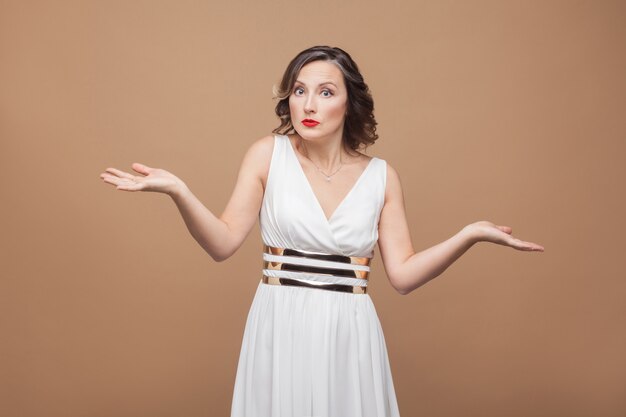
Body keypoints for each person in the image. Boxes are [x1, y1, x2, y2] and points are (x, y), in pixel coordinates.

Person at [100, 45, 544, 417]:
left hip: (349, 334)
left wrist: (468, 234)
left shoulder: (382, 177)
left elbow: (404, 276)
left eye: (325, 92)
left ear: (349, 102)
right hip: (279, 325)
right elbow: (222, 243)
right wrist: (179, 190)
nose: (308, 105)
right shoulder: (266, 155)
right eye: (299, 91)